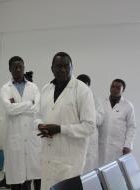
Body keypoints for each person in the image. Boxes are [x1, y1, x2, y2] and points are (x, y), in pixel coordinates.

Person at [36, 52, 96, 189]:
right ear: (52, 68)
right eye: (59, 66)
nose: (63, 69)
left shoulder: (82, 90)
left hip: (69, 159)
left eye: (66, 66)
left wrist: (60, 129)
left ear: (72, 67)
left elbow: (89, 126)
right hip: (48, 155)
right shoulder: (46, 89)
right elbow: (37, 115)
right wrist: (39, 125)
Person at [0, 56, 41, 190]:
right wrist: (30, 103)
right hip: (15, 136)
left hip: (30, 135)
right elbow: (9, 109)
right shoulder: (6, 88)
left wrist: (18, 106)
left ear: (24, 68)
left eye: (20, 67)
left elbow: (38, 107)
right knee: (16, 178)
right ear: (10, 69)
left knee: (30, 176)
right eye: (15, 67)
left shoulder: (33, 87)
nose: (18, 69)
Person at [99, 79, 136, 165]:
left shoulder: (128, 105)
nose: (114, 89)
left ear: (123, 90)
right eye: (112, 86)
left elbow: (132, 127)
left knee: (114, 172)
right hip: (101, 144)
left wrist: (128, 145)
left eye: (118, 87)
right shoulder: (101, 103)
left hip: (118, 147)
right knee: (99, 170)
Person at [77, 74, 104, 172]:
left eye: (83, 85)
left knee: (89, 168)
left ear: (88, 85)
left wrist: (87, 113)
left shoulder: (95, 99)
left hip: (90, 138)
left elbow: (100, 119)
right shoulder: (72, 98)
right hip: (76, 136)